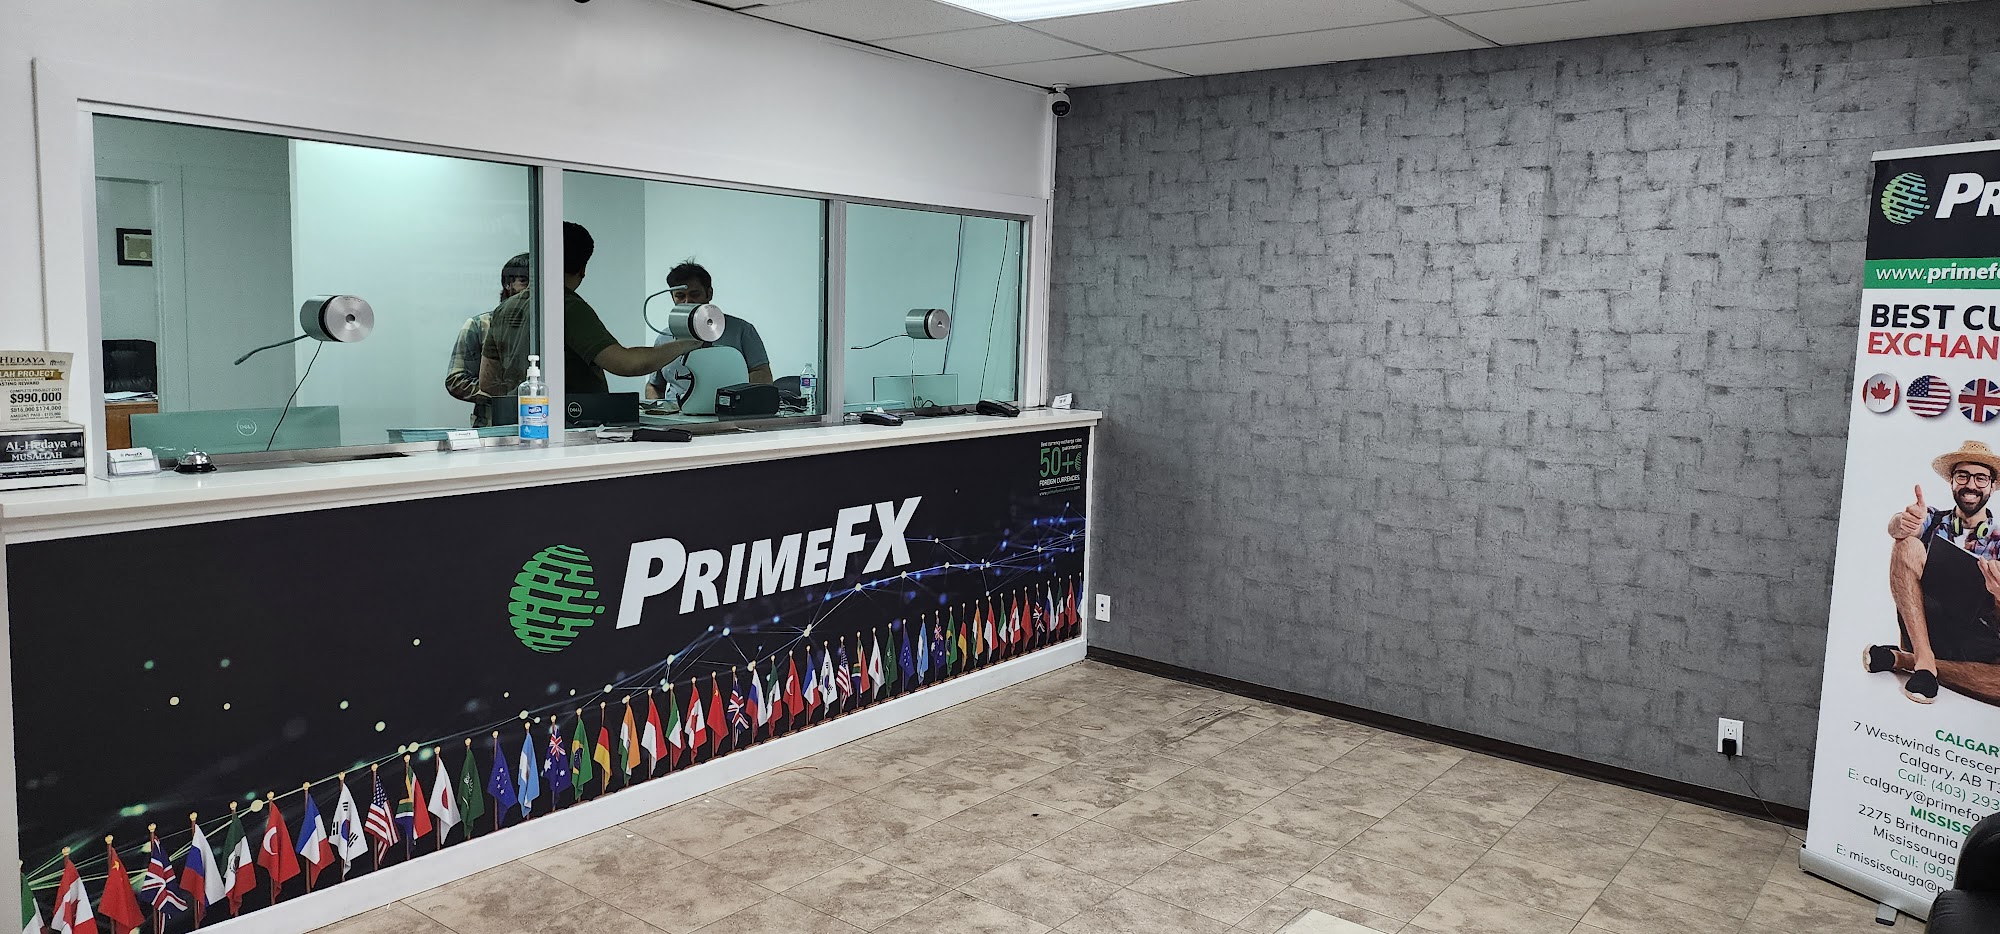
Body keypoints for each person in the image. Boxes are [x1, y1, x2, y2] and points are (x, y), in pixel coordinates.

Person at [478, 223, 705, 402]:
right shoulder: (566, 306)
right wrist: (688, 342)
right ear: (583, 269)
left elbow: (487, 384)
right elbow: (627, 363)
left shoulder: (504, 309)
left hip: (524, 421)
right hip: (571, 422)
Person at [1872, 440, 2000, 705]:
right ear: (1952, 481)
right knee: (1906, 544)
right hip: (1927, 627)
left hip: (1975, 645)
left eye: (1981, 478)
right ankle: (1922, 656)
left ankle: (1909, 661)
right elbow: (1899, 528)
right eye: (1963, 476)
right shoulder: (1931, 518)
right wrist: (1901, 523)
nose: (1971, 484)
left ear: (1992, 486)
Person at [643, 262, 774, 403]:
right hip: (676, 413)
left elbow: (763, 375)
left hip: (727, 410)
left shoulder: (741, 330)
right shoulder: (664, 338)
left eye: (695, 294)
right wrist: (658, 408)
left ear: (709, 293)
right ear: (672, 297)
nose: (687, 301)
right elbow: (654, 385)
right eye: (680, 296)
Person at [446, 253, 530, 426]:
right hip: (492, 425)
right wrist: (504, 392)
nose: (530, 290)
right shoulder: (479, 325)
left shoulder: (546, 329)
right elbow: (456, 380)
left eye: (535, 282)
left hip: (540, 421)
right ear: (508, 285)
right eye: (524, 281)